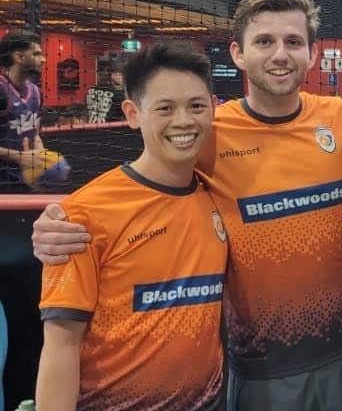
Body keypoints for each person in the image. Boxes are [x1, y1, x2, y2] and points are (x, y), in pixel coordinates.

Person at [30, 0, 342, 411]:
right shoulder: (208, 132)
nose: (280, 54)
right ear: (238, 53)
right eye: (264, 42)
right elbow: (148, 183)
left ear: (312, 54)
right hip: (257, 363)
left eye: (293, 42)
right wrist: (57, 224)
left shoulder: (341, 120)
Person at [35, 42, 226, 410]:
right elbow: (61, 345)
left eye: (197, 106)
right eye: (165, 108)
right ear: (133, 113)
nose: (184, 121)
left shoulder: (217, 194)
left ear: (213, 109)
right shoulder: (84, 215)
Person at [0, 29, 47, 193]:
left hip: (25, 183)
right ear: (19, 57)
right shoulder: (1, 91)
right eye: (36, 54)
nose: (43, 59)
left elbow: (35, 133)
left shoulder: (36, 92)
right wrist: (20, 158)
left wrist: (40, 154)